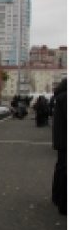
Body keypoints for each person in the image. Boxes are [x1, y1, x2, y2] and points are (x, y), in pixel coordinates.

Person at [52, 78, 66, 216]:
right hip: (64, 140)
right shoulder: (65, 98)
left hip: (61, 140)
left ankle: (57, 197)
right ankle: (63, 203)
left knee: (61, 169)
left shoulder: (60, 98)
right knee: (64, 171)